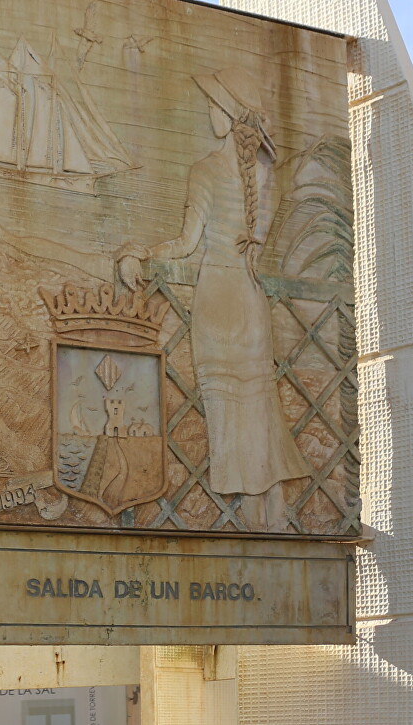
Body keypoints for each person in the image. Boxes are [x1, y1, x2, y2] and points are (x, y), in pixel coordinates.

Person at [115, 68, 309, 529]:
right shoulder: (264, 177)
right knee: (260, 407)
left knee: (228, 414)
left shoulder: (204, 171)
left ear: (228, 114)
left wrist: (137, 250)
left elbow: (184, 244)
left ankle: (248, 518)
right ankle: (275, 516)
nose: (208, 112)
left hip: (218, 303)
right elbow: (259, 245)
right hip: (252, 303)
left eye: (213, 105)